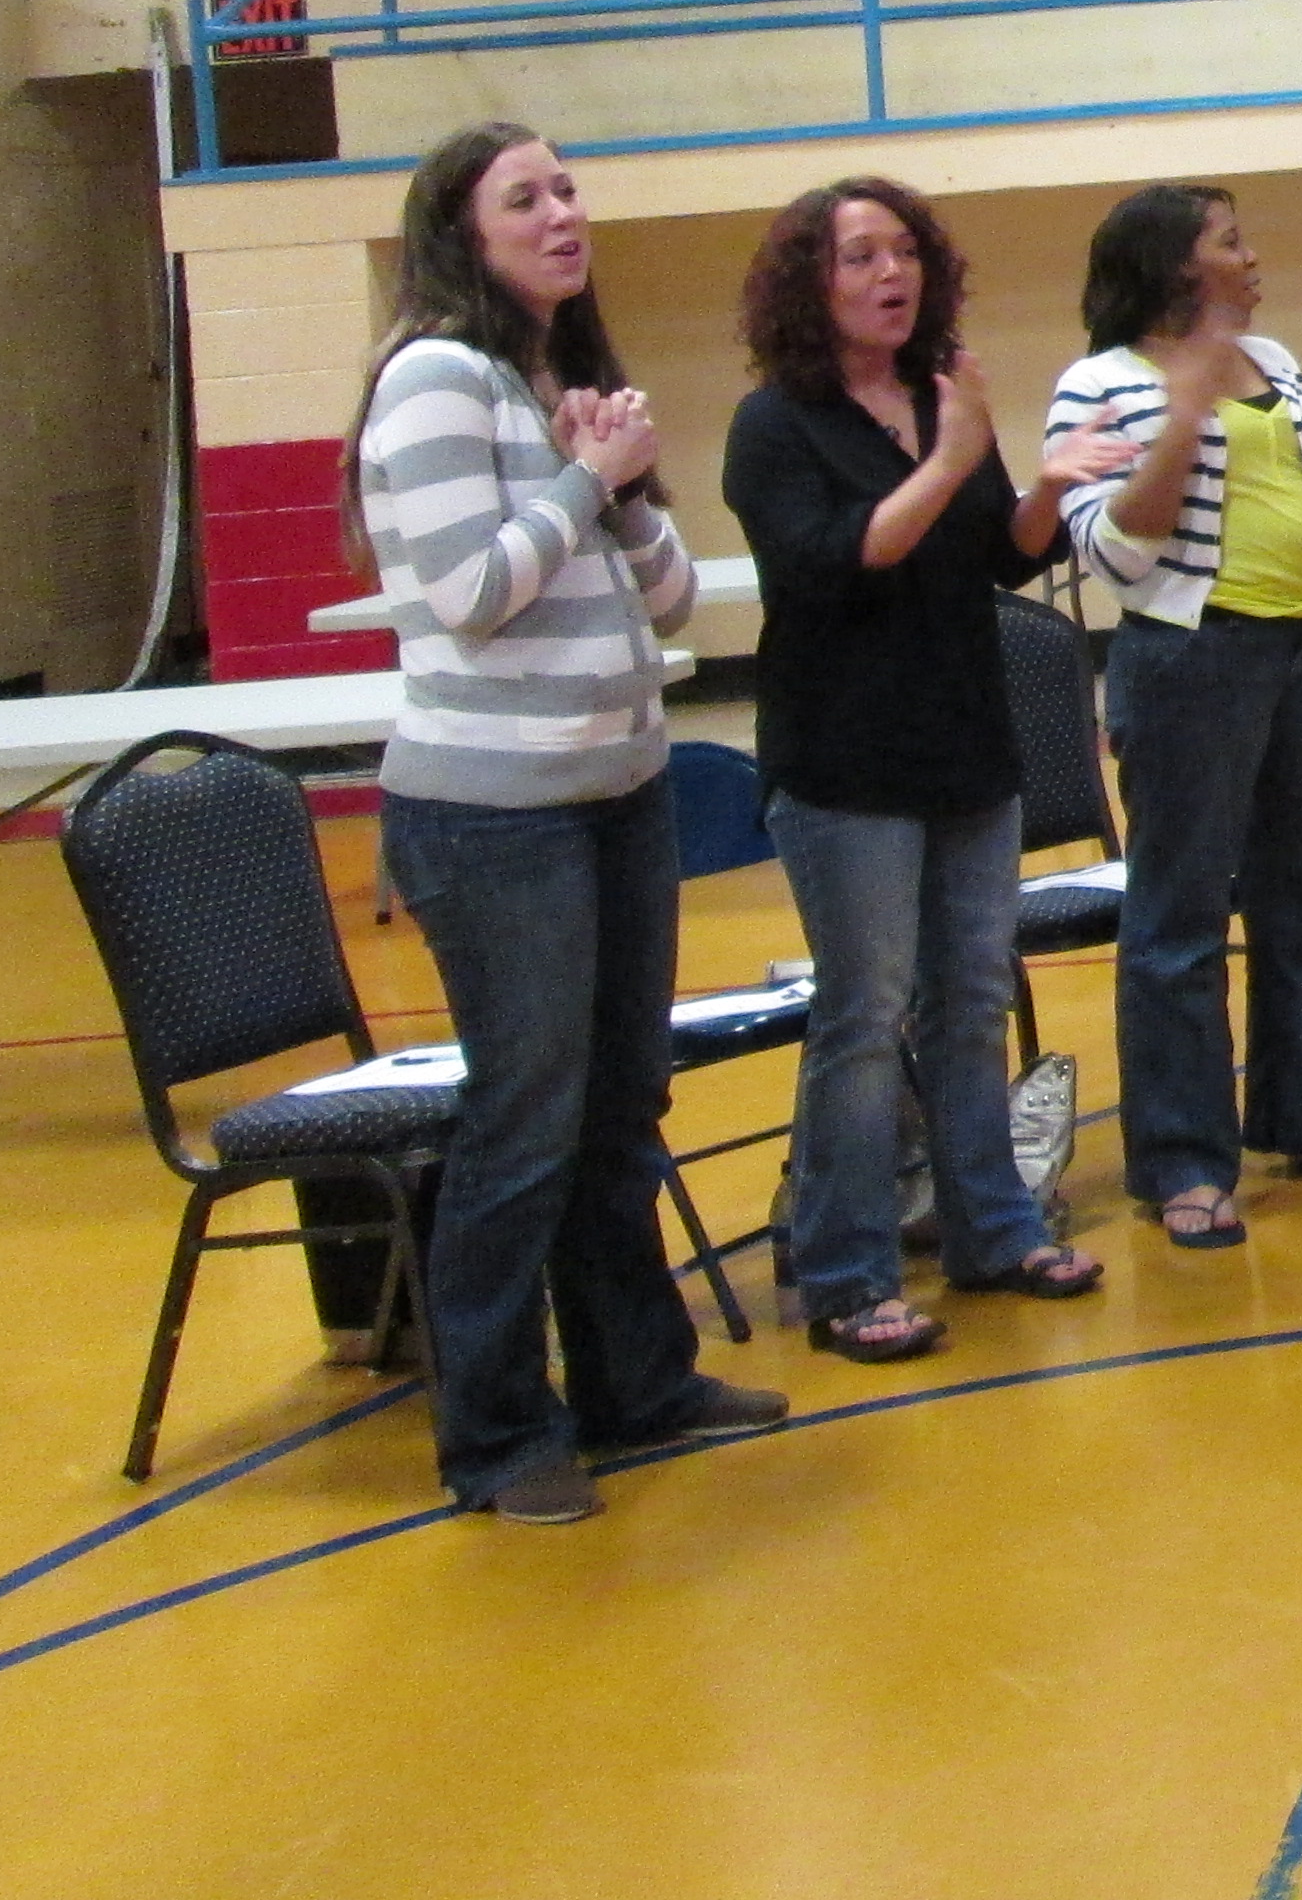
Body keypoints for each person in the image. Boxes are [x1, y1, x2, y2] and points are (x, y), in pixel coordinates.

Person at [353, 120, 778, 1523]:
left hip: (613, 797)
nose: (560, 213)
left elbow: (666, 603)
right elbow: (474, 591)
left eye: (568, 188)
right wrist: (583, 480)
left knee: (616, 1111)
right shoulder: (434, 378)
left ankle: (636, 1387)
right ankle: (493, 1433)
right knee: (525, 1125)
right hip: (492, 819)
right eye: (524, 197)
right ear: (462, 235)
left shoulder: (556, 379)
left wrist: (625, 481)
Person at [723, 178, 1120, 1362]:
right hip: (845, 765)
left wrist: (1047, 483)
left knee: (972, 1007)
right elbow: (837, 560)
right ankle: (845, 1272)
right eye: (857, 258)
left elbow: (1000, 560)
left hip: (964, 746)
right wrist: (951, 458)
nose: (888, 274)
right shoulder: (775, 426)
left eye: (903, 252)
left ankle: (991, 1231)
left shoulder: (941, 399)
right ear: (811, 285)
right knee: (863, 1018)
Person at [1043, 186, 1302, 1249]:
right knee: (1178, 915)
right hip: (1194, 655)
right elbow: (1118, 549)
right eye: (1230, 241)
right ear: (1177, 268)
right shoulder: (1099, 385)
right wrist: (1184, 407)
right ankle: (1182, 1160)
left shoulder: (1278, 358)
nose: (1253, 255)